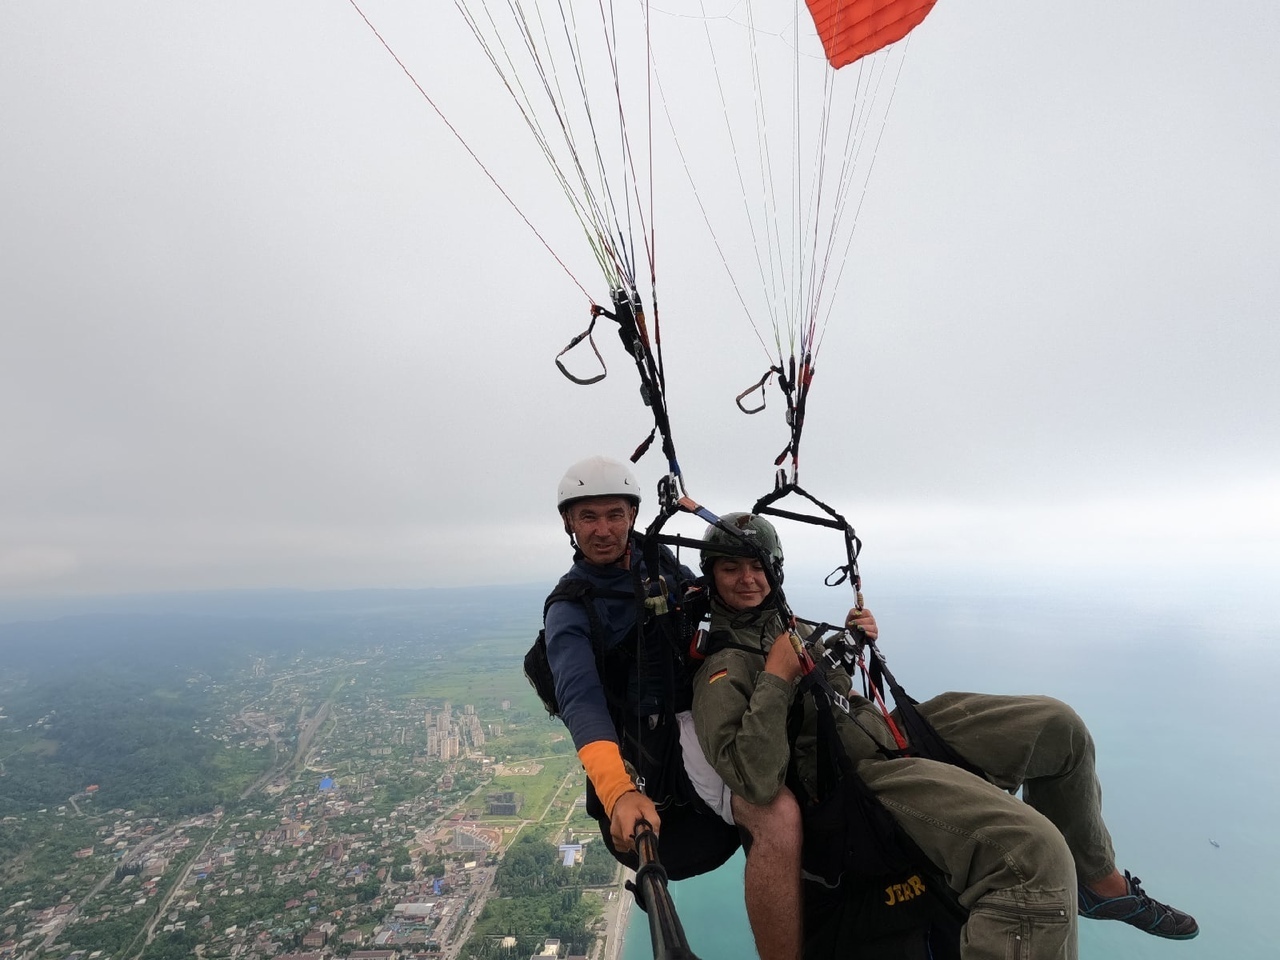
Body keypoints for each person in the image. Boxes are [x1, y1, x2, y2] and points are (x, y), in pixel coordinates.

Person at [691, 512, 1199, 960]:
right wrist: (777, 676)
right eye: (731, 569)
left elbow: (834, 680)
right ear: (711, 575)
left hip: (889, 730)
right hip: (859, 776)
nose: (747, 580)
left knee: (1058, 727)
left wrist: (853, 637)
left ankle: (1098, 882)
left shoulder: (784, 623)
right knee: (1033, 853)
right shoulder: (723, 666)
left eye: (756, 567)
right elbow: (753, 780)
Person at [544, 457, 805, 960]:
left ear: (633, 515)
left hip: (709, 705)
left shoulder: (657, 561)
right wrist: (618, 791)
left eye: (614, 515)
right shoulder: (571, 609)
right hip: (659, 749)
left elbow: (721, 598)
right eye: (588, 517)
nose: (603, 530)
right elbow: (582, 702)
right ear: (569, 524)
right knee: (777, 816)